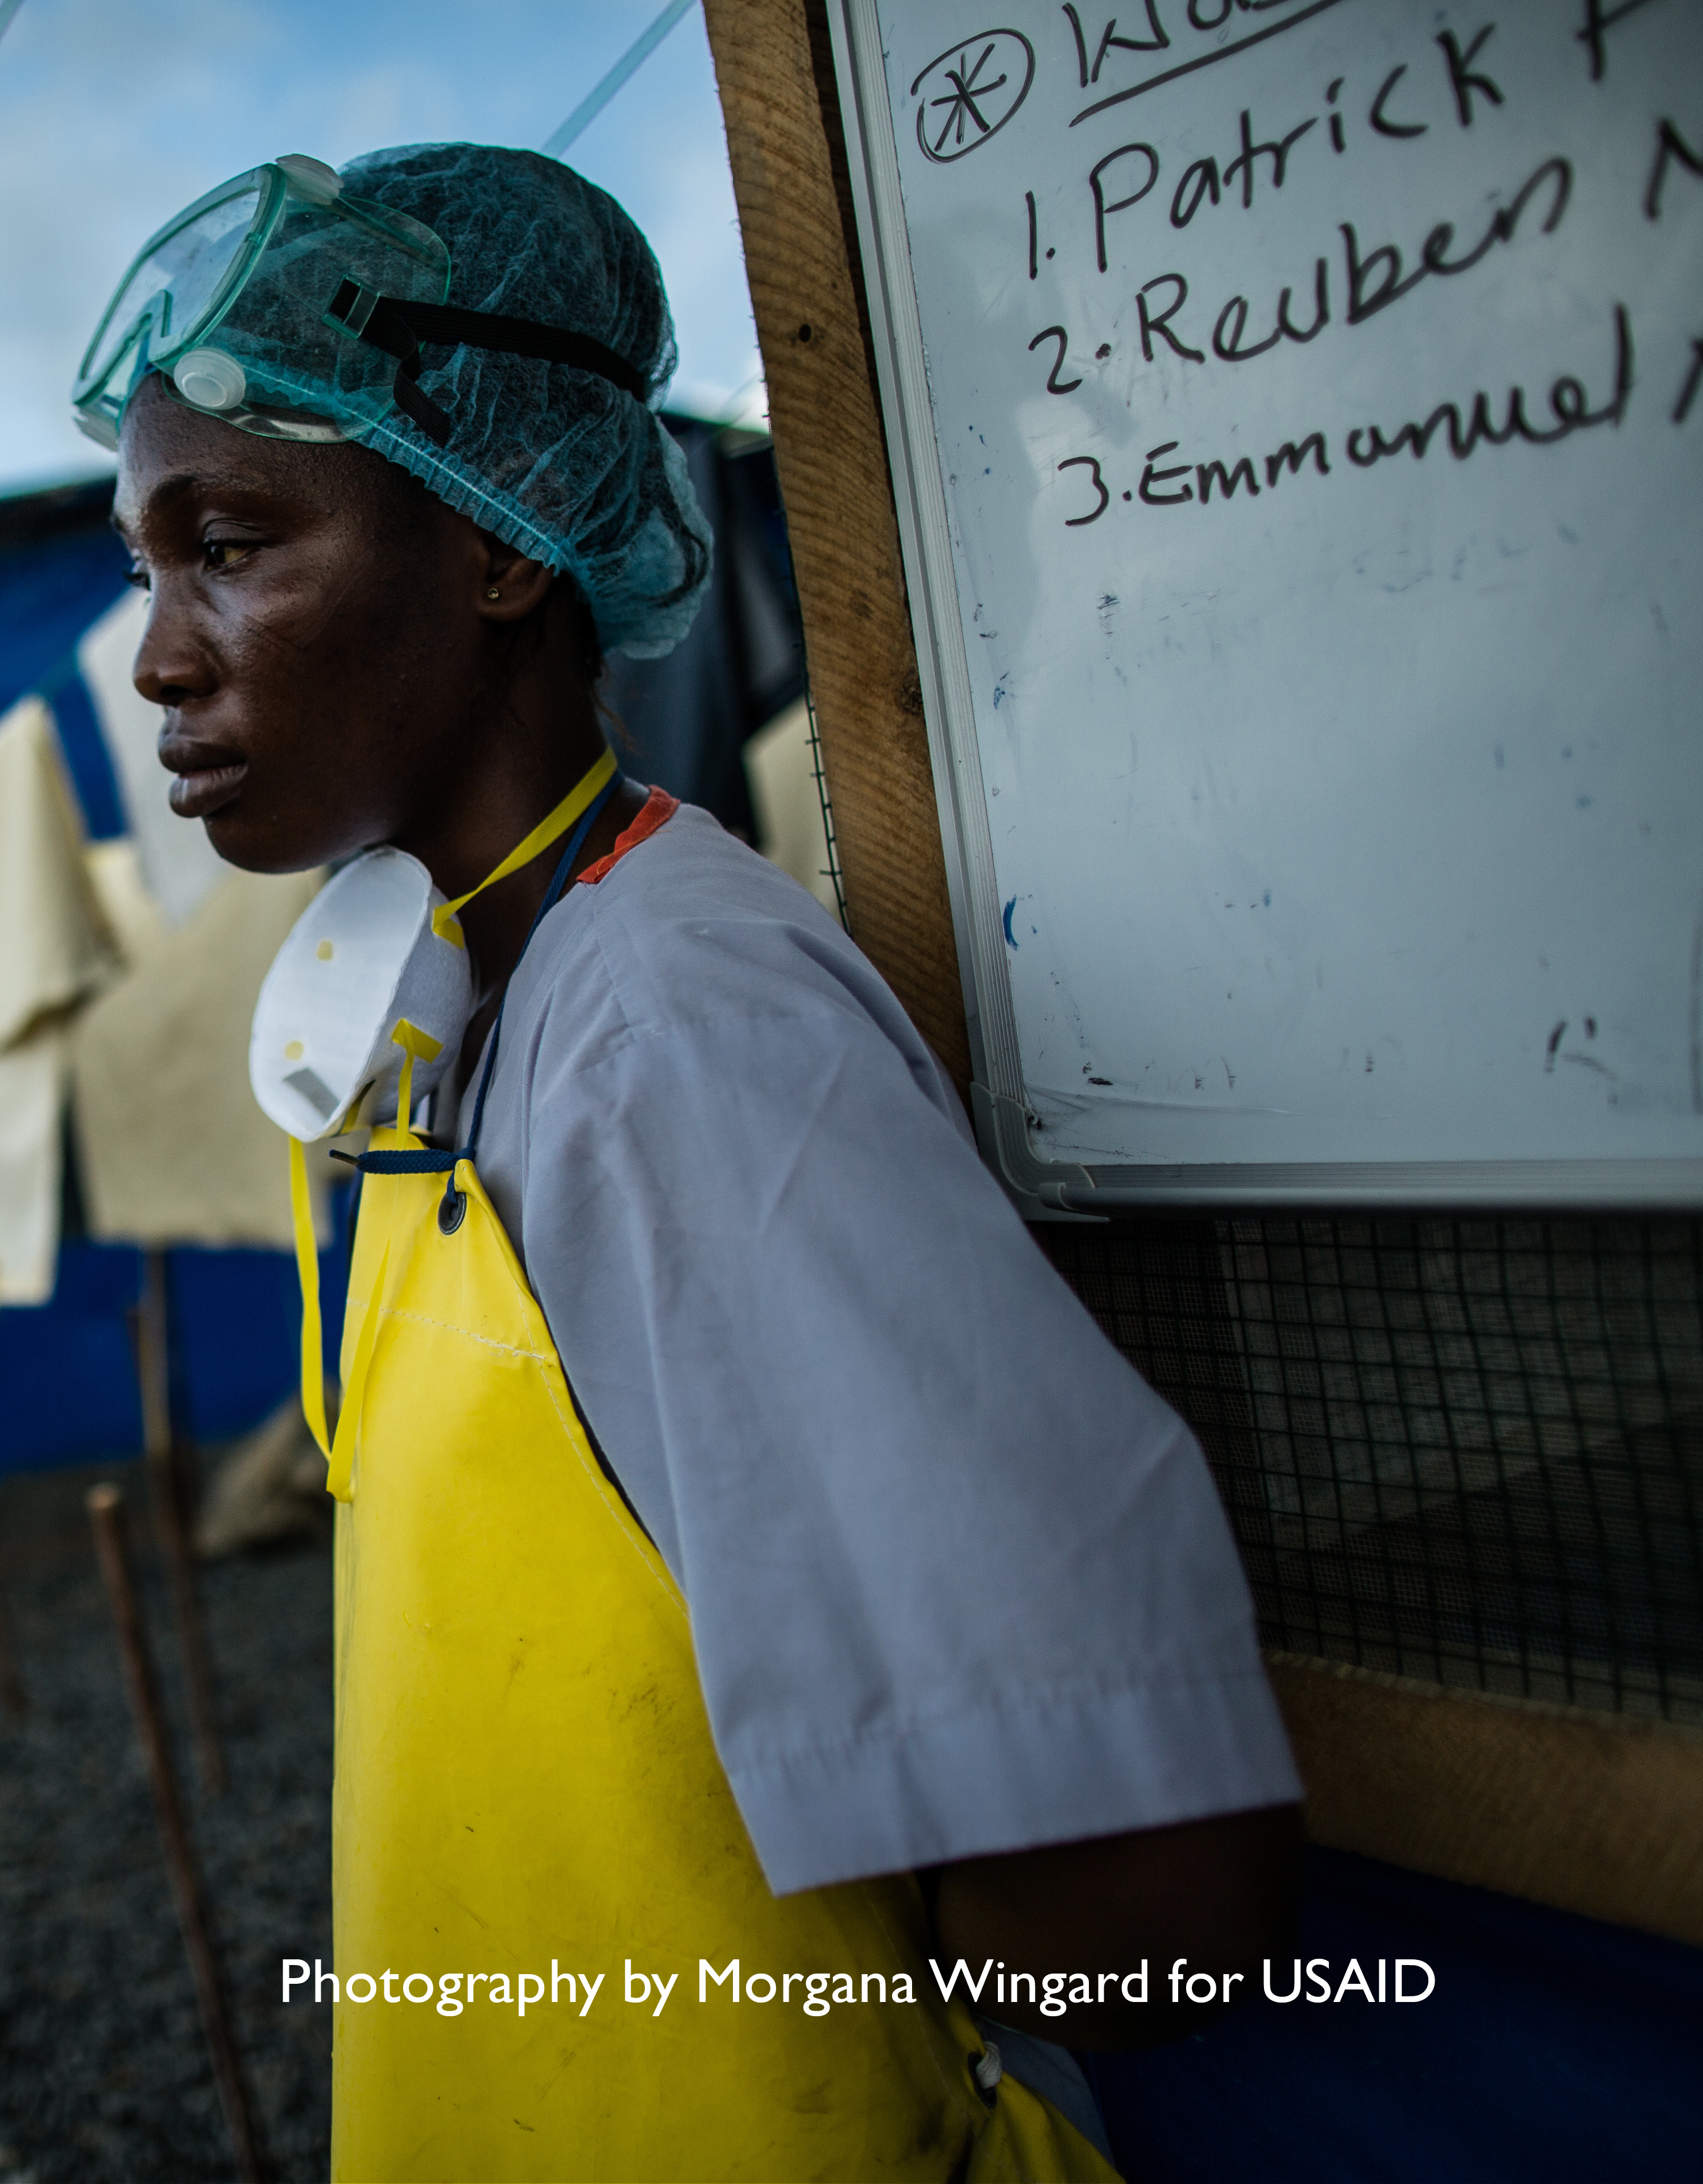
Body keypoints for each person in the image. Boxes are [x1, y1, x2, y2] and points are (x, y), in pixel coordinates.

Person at [78, 145, 1302, 2179]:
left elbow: (1139, 1902)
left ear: (495, 541)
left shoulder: (678, 1039)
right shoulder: (431, 1026)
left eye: (229, 545)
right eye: (144, 567)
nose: (157, 656)